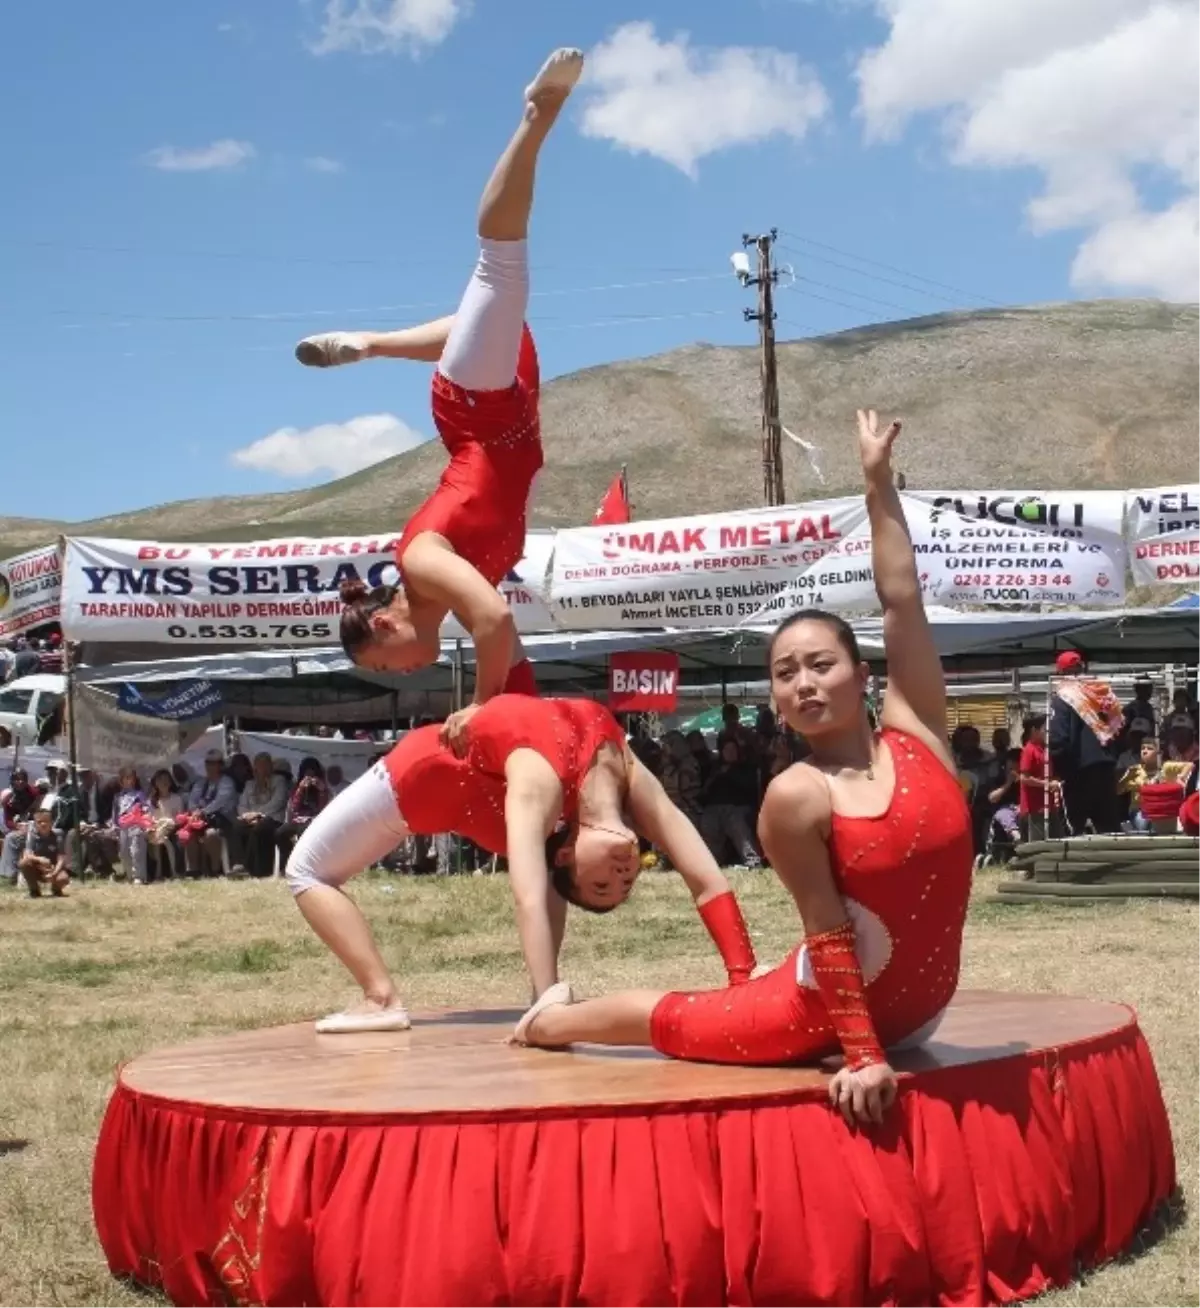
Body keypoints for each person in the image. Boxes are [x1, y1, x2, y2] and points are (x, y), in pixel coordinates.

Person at [515, 411, 974, 1129]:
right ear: (776, 703)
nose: (805, 684)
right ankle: (549, 1020)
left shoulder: (920, 737)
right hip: (816, 1016)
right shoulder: (796, 796)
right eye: (786, 675)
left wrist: (877, 483)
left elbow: (900, 600)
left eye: (822, 665)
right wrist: (861, 1056)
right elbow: (827, 933)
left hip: (921, 1013)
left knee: (711, 1006)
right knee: (678, 1021)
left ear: (861, 674)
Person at [296, 49, 585, 754]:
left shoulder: (421, 565)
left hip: (480, 420)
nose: (400, 675)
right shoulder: (440, 596)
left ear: (386, 628)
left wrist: (482, 710)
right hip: (513, 419)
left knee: (500, 263)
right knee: (486, 312)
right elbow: (494, 630)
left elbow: (494, 622)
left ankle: (538, 115)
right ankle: (372, 345)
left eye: (384, 667)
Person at [286, 694, 758, 1034]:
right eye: (623, 882)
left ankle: (519, 993)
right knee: (306, 869)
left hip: (449, 793)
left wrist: (741, 978)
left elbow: (530, 894)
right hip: (426, 775)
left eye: (603, 885)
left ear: (572, 855)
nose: (622, 876)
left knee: (305, 870)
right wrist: (743, 972)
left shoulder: (547, 794)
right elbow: (704, 874)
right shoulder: (625, 773)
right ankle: (393, 996)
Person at [1049, 650, 1121, 834]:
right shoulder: (1102, 693)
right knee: (1108, 827)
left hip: (1078, 770)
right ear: (1083, 668)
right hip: (1106, 765)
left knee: (1074, 827)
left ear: (1061, 672)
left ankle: (1074, 863)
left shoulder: (1064, 697)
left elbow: (1058, 738)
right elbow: (1118, 726)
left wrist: (1057, 769)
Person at [229, 752, 288, 878]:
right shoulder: (250, 784)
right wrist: (246, 816)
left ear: (270, 766)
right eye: (259, 765)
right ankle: (239, 865)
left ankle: (254, 869)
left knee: (260, 828)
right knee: (236, 826)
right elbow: (242, 804)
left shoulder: (279, 781)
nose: (262, 768)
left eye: (265, 765)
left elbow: (278, 802)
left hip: (272, 818)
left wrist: (258, 814)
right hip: (251, 818)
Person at [275, 757, 330, 875]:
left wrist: (321, 791)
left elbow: (323, 809)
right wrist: (300, 789)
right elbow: (294, 807)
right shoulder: (297, 786)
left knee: (303, 832)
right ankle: (287, 862)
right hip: (298, 820)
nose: (309, 775)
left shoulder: (324, 788)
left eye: (312, 772)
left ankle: (303, 867)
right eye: (307, 772)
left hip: (316, 820)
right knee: (280, 833)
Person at [1017, 714, 1062, 841]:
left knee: (1056, 838)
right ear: (1034, 730)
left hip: (1049, 804)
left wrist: (1054, 782)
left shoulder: (1044, 749)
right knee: (1038, 843)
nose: (1047, 732)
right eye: (1044, 729)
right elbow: (1024, 778)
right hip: (1035, 807)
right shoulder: (1029, 750)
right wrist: (1047, 784)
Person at [19, 808, 69, 898]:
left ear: (52, 822)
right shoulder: (32, 835)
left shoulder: (58, 834)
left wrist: (54, 873)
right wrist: (40, 859)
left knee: (63, 878)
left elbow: (61, 858)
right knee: (24, 863)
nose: (43, 824)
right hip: (38, 868)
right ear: (35, 824)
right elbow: (27, 854)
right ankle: (34, 891)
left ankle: (56, 890)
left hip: (54, 868)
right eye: (39, 822)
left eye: (46, 821)